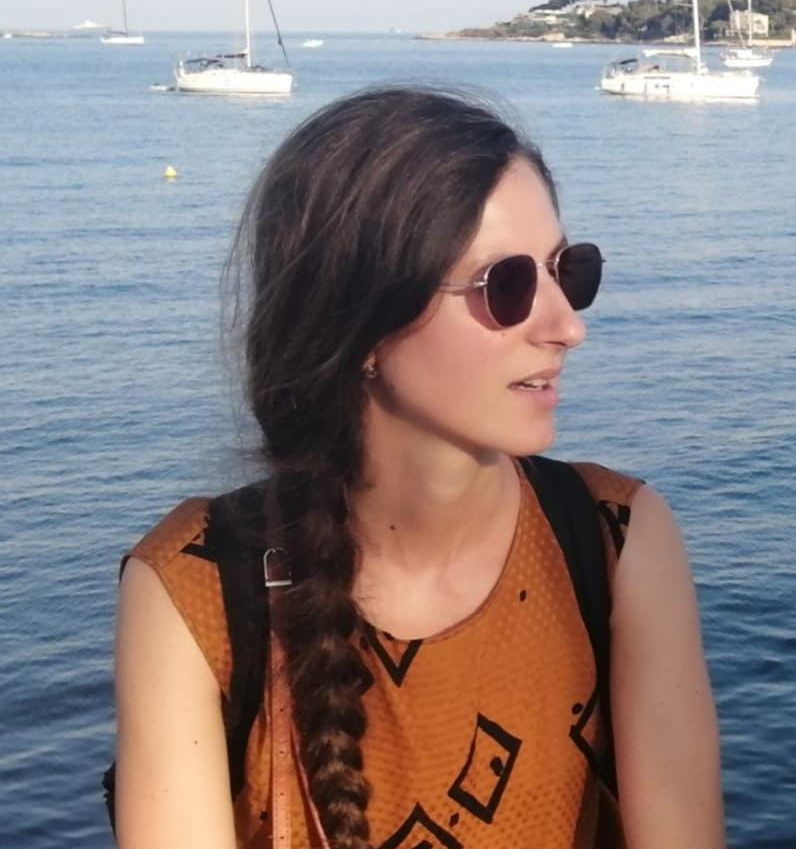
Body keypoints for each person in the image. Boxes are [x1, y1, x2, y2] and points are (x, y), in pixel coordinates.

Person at [114, 86, 724, 849]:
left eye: (566, 271)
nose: (568, 327)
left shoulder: (615, 541)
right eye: (507, 285)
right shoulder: (197, 587)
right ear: (362, 323)